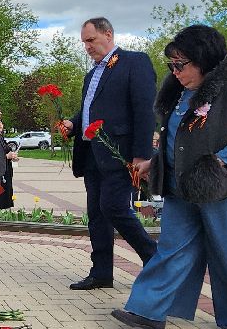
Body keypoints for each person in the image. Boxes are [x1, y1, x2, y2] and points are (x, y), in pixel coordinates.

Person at [108, 25, 227, 329]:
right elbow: (181, 141)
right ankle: (147, 312)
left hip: (225, 189)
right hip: (182, 189)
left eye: (181, 64)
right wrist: (155, 163)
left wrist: (219, 162)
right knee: (170, 249)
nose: (175, 71)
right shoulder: (182, 93)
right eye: (171, 65)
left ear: (204, 60)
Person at [58, 17, 157, 289]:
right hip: (91, 152)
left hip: (119, 153)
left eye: (91, 40)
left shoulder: (134, 62)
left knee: (113, 207)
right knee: (97, 213)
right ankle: (101, 272)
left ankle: (155, 261)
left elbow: (144, 110)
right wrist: (73, 123)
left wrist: (140, 154)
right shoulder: (92, 73)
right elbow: (90, 110)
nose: (87, 47)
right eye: (84, 42)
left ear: (108, 34)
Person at [0, 115, 18, 209]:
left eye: (1, 123)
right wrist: (6, 156)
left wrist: (12, 157)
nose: (0, 125)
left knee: (5, 196)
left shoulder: (1, 138)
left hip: (6, 170)